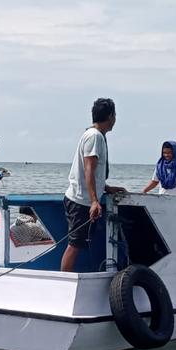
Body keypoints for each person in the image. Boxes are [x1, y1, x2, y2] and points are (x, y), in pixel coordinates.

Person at [60, 98, 125, 273]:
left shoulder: (95, 135)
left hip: (84, 199)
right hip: (81, 201)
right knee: (74, 245)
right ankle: (64, 284)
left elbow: (94, 173)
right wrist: (95, 201)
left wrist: (105, 187)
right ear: (110, 116)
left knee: (78, 244)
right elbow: (89, 169)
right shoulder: (94, 136)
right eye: (115, 115)